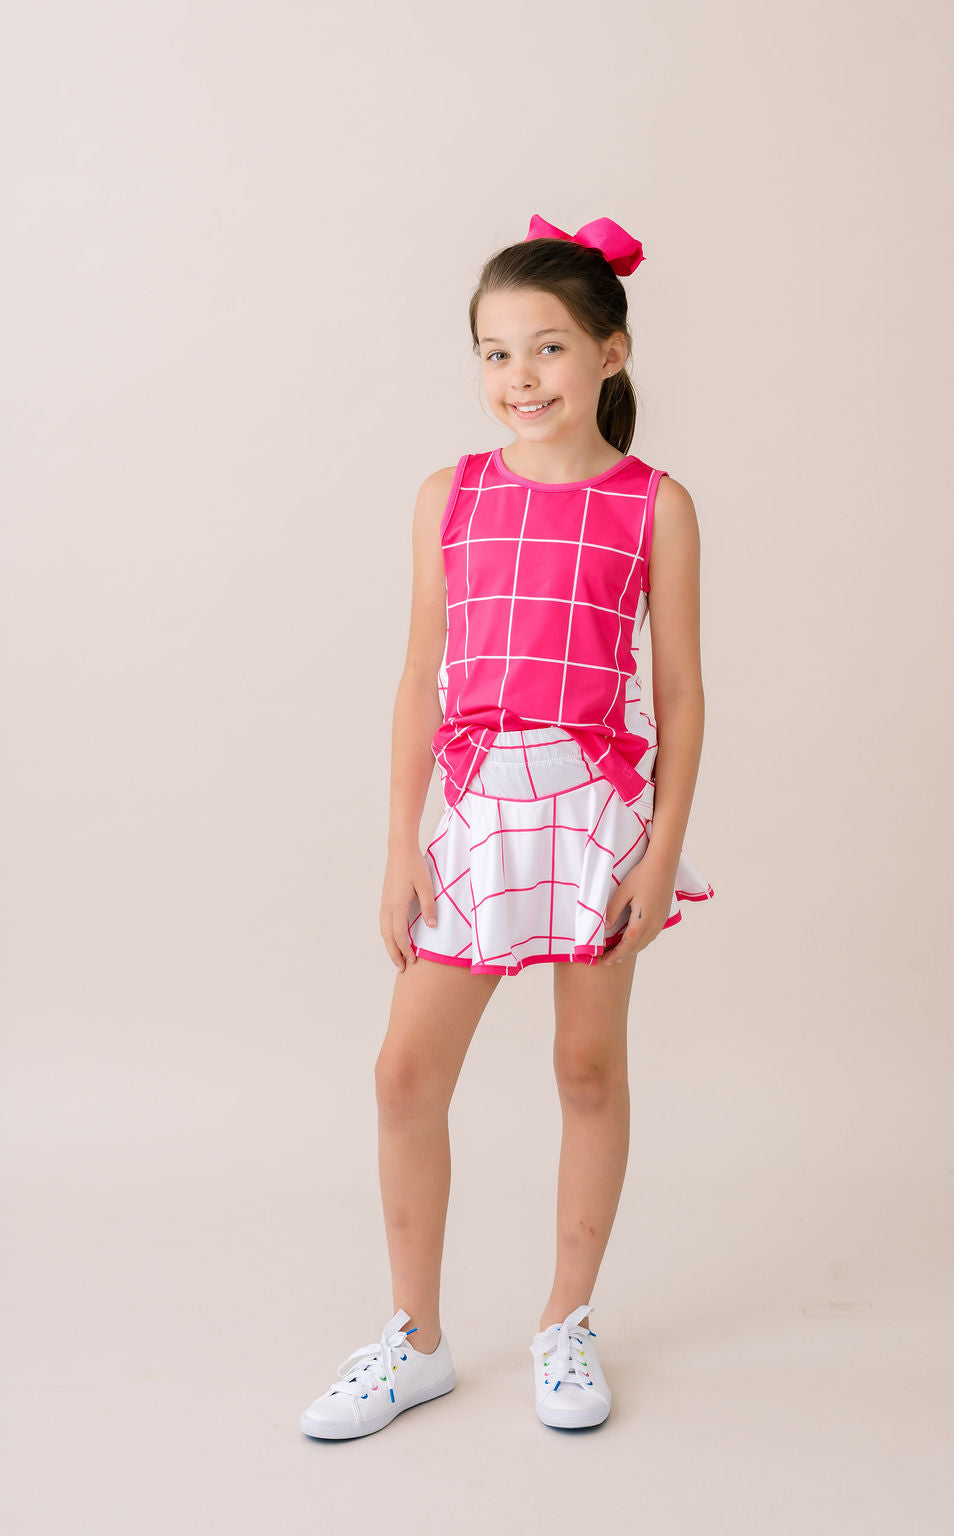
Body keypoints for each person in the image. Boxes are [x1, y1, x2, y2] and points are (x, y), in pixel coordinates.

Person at [301, 213, 715, 1441]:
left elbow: (681, 693)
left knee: (586, 1069)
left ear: (609, 353)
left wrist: (659, 850)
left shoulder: (655, 506)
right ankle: (415, 1341)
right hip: (479, 815)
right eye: (495, 353)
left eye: (547, 348)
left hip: (593, 816)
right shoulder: (451, 496)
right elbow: (418, 675)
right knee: (403, 1075)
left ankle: (564, 1321)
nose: (519, 377)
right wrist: (400, 846)